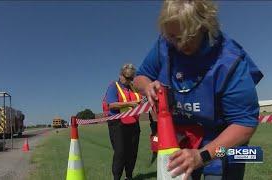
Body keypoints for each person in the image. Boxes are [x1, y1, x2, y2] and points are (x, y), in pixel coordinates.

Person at [133, 1, 263, 180]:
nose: (179, 45)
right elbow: (140, 77)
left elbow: (245, 125)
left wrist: (202, 156)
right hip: (183, 138)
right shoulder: (164, 44)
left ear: (204, 26)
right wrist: (147, 86)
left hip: (222, 142)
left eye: (187, 37)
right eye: (173, 37)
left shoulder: (230, 61)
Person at [104, 63, 142, 180]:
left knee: (132, 153)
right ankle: (117, 178)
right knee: (120, 153)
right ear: (120, 75)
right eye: (127, 78)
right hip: (117, 124)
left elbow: (142, 100)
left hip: (133, 123)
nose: (129, 80)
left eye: (131, 78)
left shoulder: (134, 88)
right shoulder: (113, 86)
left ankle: (129, 176)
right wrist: (129, 103)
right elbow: (111, 105)